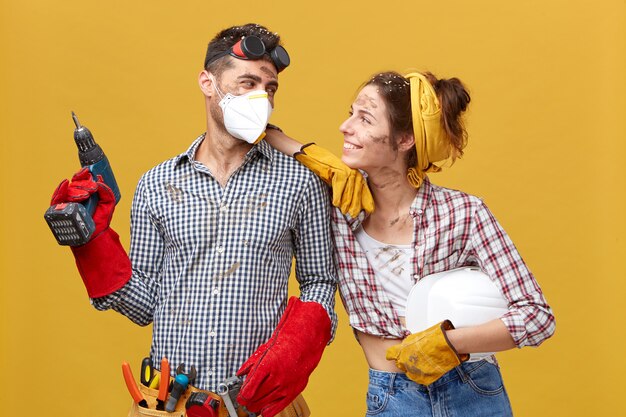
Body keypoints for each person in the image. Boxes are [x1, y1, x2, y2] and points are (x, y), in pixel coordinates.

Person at [49, 23, 337, 417]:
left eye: (269, 89)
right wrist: (92, 245)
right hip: (167, 404)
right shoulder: (157, 184)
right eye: (247, 83)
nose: (261, 99)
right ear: (208, 82)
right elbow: (146, 306)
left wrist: (299, 345)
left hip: (261, 407)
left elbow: (320, 280)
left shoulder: (299, 182)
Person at [264, 70, 556, 416]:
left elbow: (537, 316)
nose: (346, 127)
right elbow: (258, 132)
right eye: (350, 113)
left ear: (405, 140)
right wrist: (313, 156)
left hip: (473, 390)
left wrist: (448, 343)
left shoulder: (463, 213)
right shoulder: (336, 208)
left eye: (365, 118)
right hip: (393, 397)